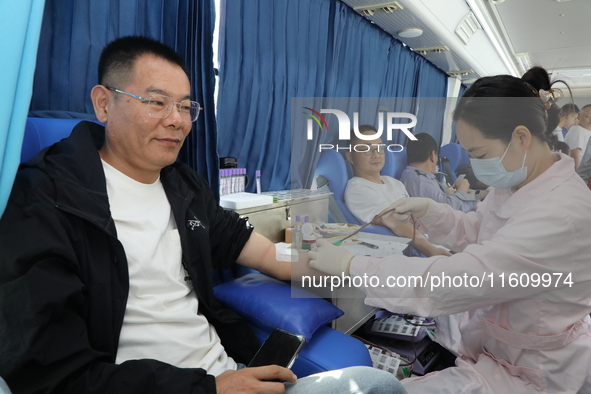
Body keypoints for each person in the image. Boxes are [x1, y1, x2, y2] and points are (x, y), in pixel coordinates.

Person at [0, 36, 404, 394]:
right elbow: (53, 374)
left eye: (185, 106)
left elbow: (260, 252)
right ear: (104, 103)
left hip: (230, 373)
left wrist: (350, 269)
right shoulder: (45, 199)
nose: (176, 120)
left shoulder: (182, 185)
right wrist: (209, 388)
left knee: (377, 386)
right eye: (156, 102)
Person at [308, 66, 591, 393]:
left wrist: (351, 266)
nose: (476, 164)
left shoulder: (560, 214)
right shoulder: (518, 178)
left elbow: (456, 278)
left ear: (521, 138)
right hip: (499, 346)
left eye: (479, 153)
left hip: (535, 370)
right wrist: (432, 210)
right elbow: (477, 228)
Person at [343, 126, 450, 258]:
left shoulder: (394, 182)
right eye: (366, 149)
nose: (376, 154)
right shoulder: (357, 189)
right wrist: (429, 248)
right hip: (416, 252)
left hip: (437, 239)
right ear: (350, 156)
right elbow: (391, 219)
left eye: (379, 148)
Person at [399, 133, 477, 213]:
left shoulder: (420, 177)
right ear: (432, 156)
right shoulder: (420, 182)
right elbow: (448, 211)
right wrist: (462, 188)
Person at [564, 104, 591, 169]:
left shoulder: (586, 132)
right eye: (587, 116)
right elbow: (575, 155)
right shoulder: (578, 130)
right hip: (580, 173)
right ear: (578, 116)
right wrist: (579, 176)